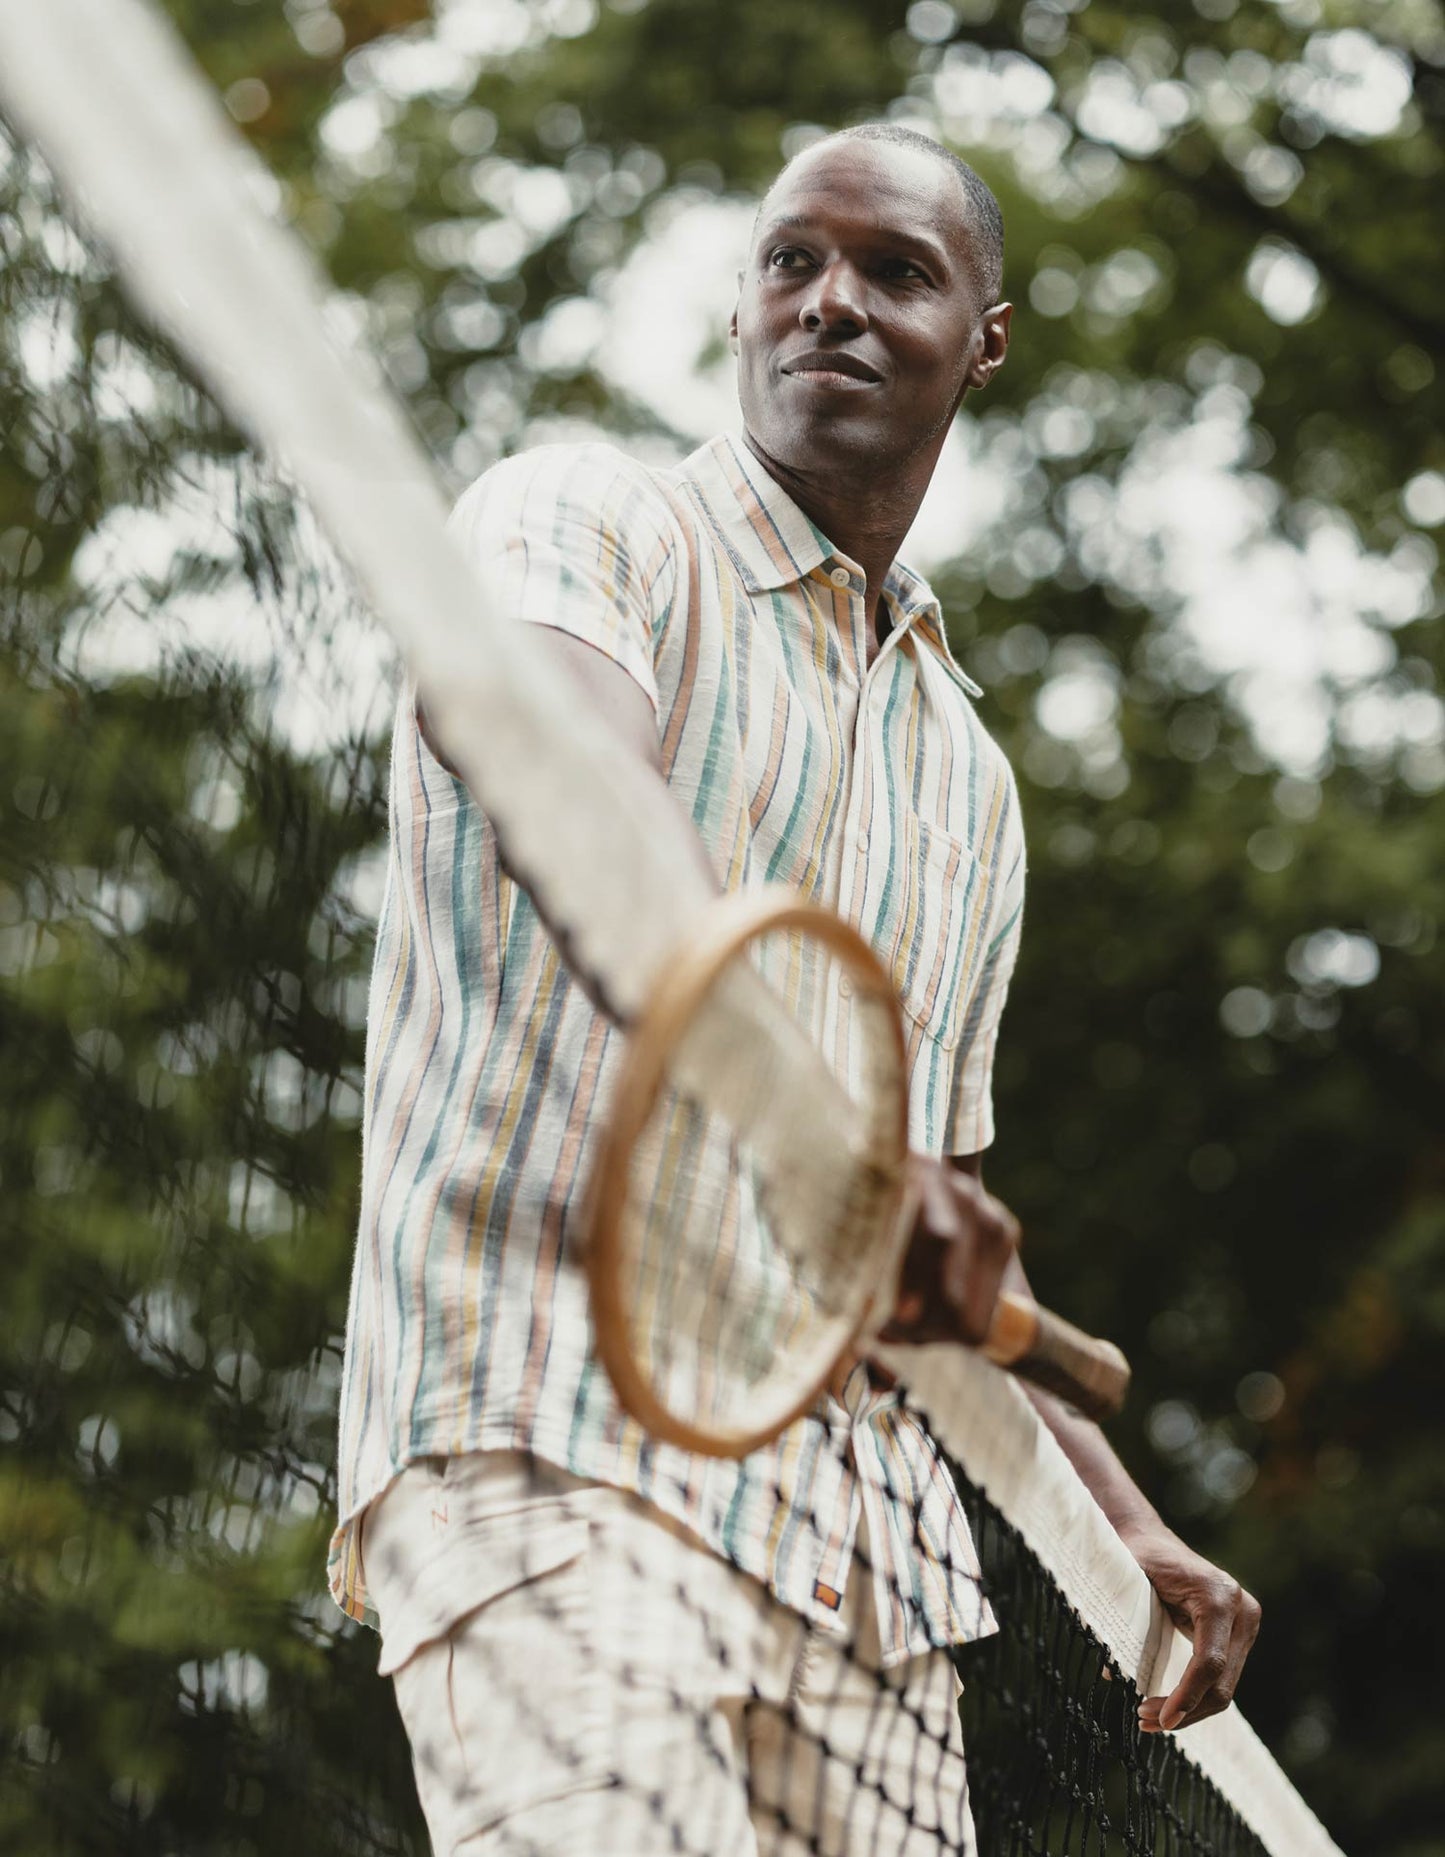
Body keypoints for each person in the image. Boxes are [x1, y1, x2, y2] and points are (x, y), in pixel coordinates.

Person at [329, 124, 1260, 1855]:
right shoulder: (582, 517)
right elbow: (566, 788)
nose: (827, 301)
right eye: (789, 261)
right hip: (555, 1456)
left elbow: (934, 1228)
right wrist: (835, 1142)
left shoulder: (969, 776)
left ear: (984, 339)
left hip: (870, 1582)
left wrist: (1105, 1518)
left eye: (894, 271)